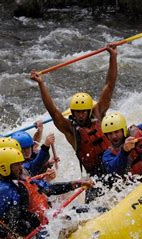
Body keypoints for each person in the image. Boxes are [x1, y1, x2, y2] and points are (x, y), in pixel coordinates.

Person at [0, 147, 93, 239]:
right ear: (4, 167)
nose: (21, 167)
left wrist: (77, 183)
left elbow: (48, 188)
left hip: (48, 222)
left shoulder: (21, 180)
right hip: (37, 235)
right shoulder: (4, 190)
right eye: (16, 164)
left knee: (89, 211)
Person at [29, 44, 118, 179]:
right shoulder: (70, 129)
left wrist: (113, 57)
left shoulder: (98, 113)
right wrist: (41, 84)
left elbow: (109, 86)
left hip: (115, 165)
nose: (80, 115)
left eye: (83, 112)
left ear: (89, 110)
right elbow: (53, 111)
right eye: (76, 112)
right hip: (95, 176)